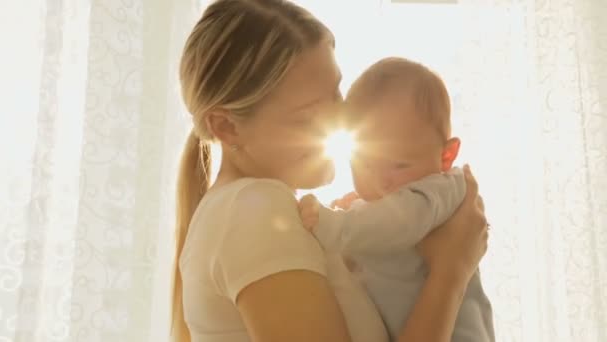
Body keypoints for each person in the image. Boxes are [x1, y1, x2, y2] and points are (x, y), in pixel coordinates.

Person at [171, 1, 489, 341]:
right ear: (227, 127)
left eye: (338, 92)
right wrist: (450, 272)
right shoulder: (254, 209)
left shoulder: (248, 211)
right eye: (310, 112)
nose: (344, 119)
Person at [298, 57, 495, 341]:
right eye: (364, 162)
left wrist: (335, 224)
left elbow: (400, 223)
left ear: (446, 155)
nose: (380, 180)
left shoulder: (445, 188)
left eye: (400, 165)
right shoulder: (371, 210)